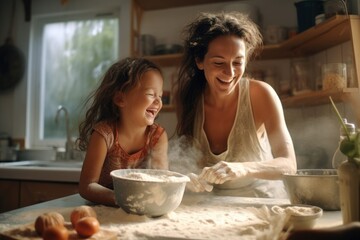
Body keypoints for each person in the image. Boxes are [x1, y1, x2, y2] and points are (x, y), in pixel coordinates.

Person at [173, 12, 297, 198]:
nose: (229, 73)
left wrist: (243, 168)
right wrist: (187, 177)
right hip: (212, 203)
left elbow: (289, 165)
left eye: (237, 62)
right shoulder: (187, 98)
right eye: (218, 62)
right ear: (200, 61)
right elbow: (190, 157)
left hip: (263, 199)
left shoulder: (261, 95)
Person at [77, 57, 168, 206]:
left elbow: (162, 181)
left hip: (140, 211)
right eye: (151, 94)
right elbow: (87, 187)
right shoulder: (104, 135)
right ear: (120, 99)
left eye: (160, 96)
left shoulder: (157, 137)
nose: (158, 102)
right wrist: (124, 200)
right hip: (103, 213)